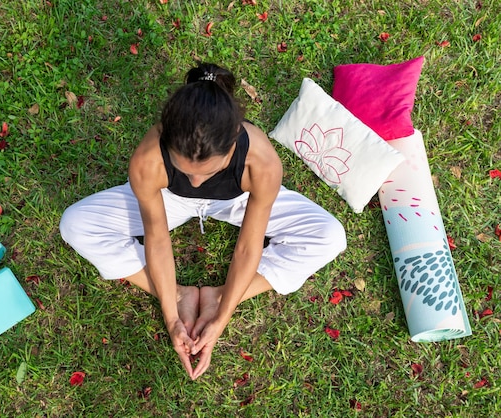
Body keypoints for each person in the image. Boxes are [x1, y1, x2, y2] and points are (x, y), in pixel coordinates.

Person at [59, 63, 346, 380]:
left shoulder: (262, 162)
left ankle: (220, 294)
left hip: (238, 200)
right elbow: (157, 239)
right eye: (186, 169)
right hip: (168, 197)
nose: (196, 182)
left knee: (330, 236)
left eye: (207, 171)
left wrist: (221, 317)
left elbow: (248, 249)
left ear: (234, 141)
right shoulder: (148, 160)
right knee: (75, 224)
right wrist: (172, 318)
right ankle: (177, 292)